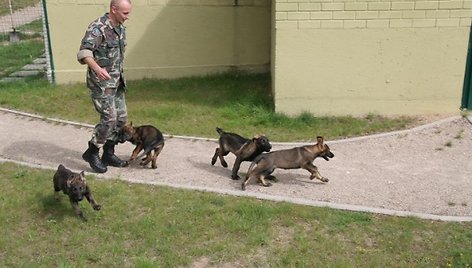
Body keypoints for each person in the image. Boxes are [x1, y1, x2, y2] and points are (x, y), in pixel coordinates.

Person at [77, 0, 132, 173]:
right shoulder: (98, 27)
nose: (128, 17)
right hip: (102, 84)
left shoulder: (121, 28)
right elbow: (84, 52)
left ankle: (109, 152)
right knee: (109, 119)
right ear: (113, 9)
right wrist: (97, 69)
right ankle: (92, 152)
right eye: (125, 13)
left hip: (117, 82)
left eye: (129, 13)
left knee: (121, 119)